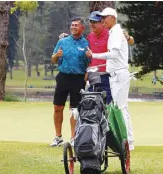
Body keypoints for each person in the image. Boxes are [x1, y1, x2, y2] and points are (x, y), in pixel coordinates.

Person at [86, 7, 134, 151]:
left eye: (104, 18)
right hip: (115, 75)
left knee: (121, 109)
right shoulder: (115, 32)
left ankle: (127, 141)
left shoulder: (116, 33)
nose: (103, 20)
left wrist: (93, 55)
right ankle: (126, 141)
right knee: (120, 108)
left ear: (112, 17)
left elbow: (112, 55)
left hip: (119, 75)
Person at [50, 17, 91, 147]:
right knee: (58, 107)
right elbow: (53, 59)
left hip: (78, 78)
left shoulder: (85, 44)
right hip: (63, 77)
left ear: (82, 28)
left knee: (74, 110)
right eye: (72, 25)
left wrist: (85, 78)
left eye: (76, 25)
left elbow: (90, 63)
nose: (73, 27)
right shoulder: (63, 41)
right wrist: (57, 56)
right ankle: (58, 137)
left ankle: (73, 137)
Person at [86, 11, 135, 104]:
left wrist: (129, 38)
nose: (92, 25)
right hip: (93, 75)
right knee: (92, 104)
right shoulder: (90, 36)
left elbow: (130, 41)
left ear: (102, 22)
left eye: (95, 22)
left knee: (109, 103)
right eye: (90, 22)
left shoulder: (110, 33)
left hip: (107, 74)